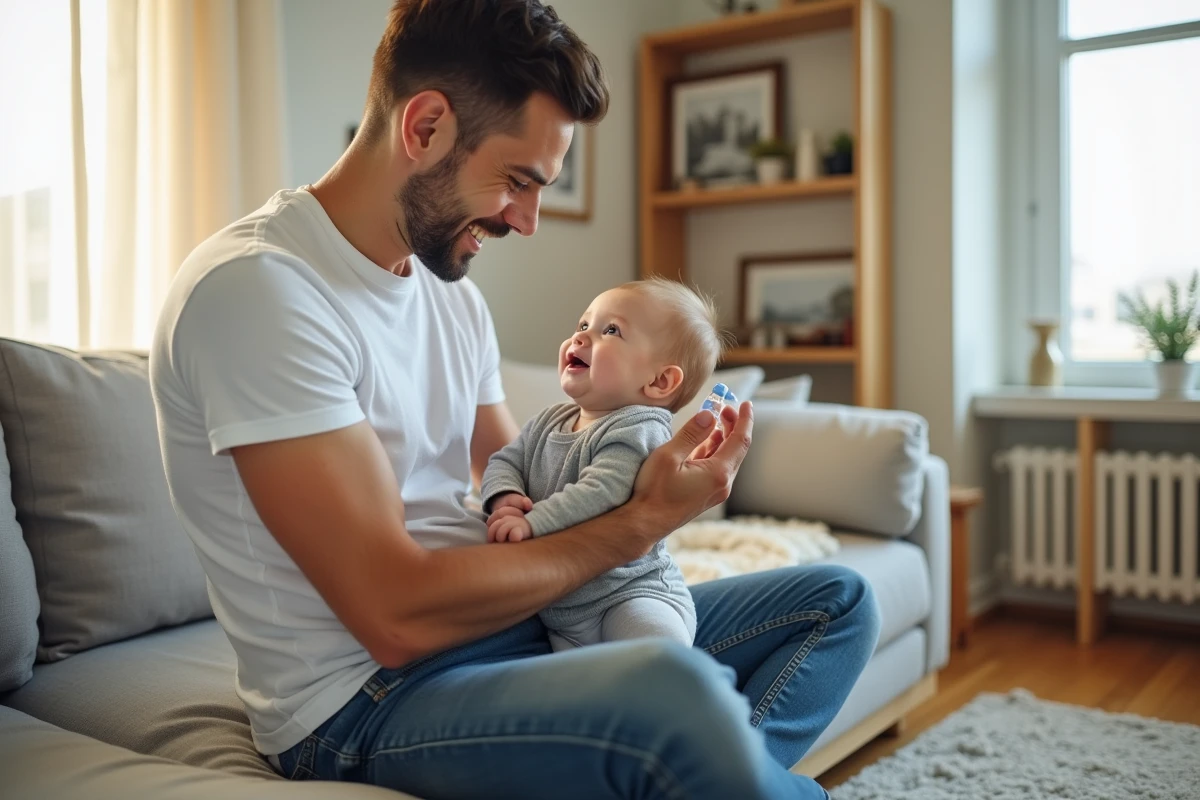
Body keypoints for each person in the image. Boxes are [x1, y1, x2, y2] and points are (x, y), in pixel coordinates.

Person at [149, 1, 880, 798]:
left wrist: (651, 465)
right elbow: (392, 617)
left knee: (836, 601)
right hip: (364, 700)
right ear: (424, 127)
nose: (527, 223)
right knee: (676, 696)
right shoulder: (259, 292)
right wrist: (644, 519)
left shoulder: (449, 298)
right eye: (517, 181)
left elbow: (538, 478)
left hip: (517, 626)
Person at [481, 279, 723, 652]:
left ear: (659, 381)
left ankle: (693, 694)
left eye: (611, 331)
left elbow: (603, 491)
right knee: (586, 700)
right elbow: (505, 460)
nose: (580, 339)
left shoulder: (640, 426)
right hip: (561, 612)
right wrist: (506, 496)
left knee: (655, 658)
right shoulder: (549, 420)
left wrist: (532, 523)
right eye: (583, 326)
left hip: (629, 595)